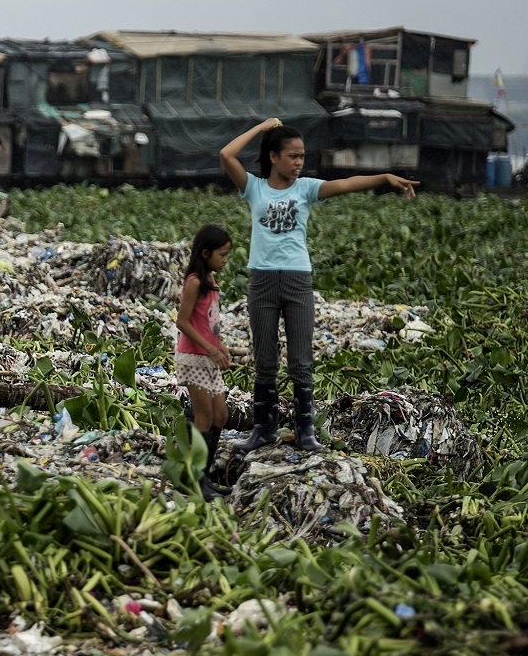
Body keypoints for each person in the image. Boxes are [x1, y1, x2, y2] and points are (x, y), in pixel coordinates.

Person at [219, 117, 418, 452]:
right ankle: (262, 431)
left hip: (298, 281)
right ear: (273, 157)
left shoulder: (306, 188)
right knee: (265, 360)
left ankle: (306, 433)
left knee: (300, 361)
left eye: (302, 156)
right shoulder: (254, 188)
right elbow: (227, 155)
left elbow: (347, 184)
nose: (299, 162)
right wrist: (262, 127)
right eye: (292, 156)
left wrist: (384, 177)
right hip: (262, 282)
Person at [175, 223, 234, 495]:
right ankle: (195, 480)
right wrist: (211, 350)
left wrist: (221, 347)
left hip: (209, 357)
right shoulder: (195, 282)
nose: (225, 260)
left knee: (220, 416)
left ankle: (204, 476)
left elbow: (209, 324)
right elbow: (183, 322)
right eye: (222, 255)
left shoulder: (210, 281)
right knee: (205, 418)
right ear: (206, 253)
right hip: (193, 359)